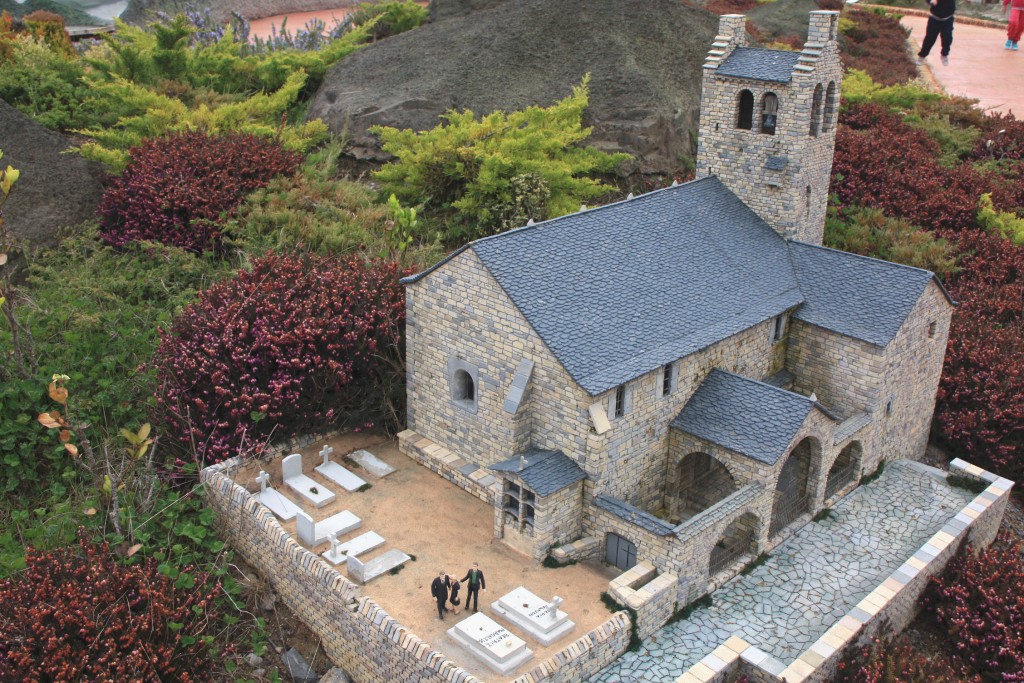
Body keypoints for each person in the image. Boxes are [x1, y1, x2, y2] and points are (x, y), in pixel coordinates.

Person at [917, 0, 957, 66]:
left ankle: (944, 55)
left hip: (948, 18)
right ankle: (922, 56)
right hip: (934, 17)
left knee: (947, 37)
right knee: (929, 38)